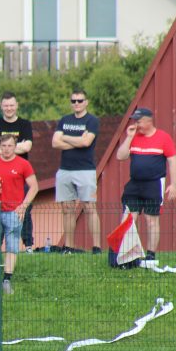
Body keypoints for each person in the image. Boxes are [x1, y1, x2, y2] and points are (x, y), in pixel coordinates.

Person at [115, 107, 176, 262]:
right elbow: (120, 156)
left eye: (139, 121)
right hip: (134, 183)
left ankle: (150, 254)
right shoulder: (134, 137)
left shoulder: (163, 137)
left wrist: (174, 184)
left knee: (151, 220)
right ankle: (127, 253)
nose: (136, 124)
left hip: (154, 184)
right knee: (129, 218)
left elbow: (173, 161)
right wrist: (129, 137)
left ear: (148, 121)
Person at [0, 134, 38, 294]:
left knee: (12, 246)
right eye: (3, 146)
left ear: (15, 147)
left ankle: (7, 280)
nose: (6, 149)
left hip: (13, 210)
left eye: (10, 146)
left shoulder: (23, 164)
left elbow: (34, 187)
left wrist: (23, 206)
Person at [52, 90, 102, 253]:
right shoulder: (64, 120)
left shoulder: (92, 120)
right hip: (65, 170)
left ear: (86, 102)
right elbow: (55, 143)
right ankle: (69, 246)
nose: (77, 104)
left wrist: (65, 137)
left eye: (80, 100)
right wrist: (78, 140)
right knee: (67, 209)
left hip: (85, 170)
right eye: (73, 101)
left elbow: (86, 142)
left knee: (89, 207)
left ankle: (97, 247)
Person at [0, 92, 35, 251]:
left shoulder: (24, 124)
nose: (9, 108)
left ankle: (28, 245)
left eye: (12, 105)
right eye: (6, 105)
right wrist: (16, 148)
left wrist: (1, 148)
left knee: (24, 209)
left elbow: (27, 147)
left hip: (20, 175)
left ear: (17, 105)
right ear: (1, 107)